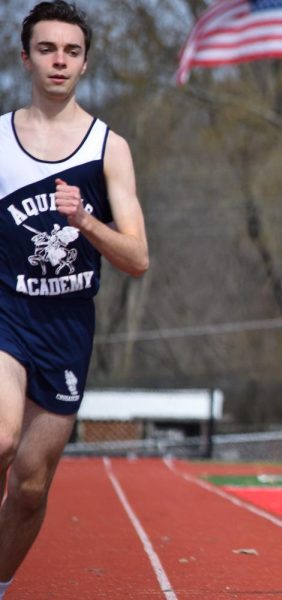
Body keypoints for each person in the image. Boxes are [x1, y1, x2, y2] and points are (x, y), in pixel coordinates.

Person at [0, 2, 149, 597]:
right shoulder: (1, 140)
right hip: (8, 314)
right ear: (25, 57)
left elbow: (138, 258)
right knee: (1, 437)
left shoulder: (108, 148)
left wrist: (85, 220)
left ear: (85, 62)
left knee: (31, 486)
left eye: (70, 51)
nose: (58, 61)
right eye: (46, 49)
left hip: (67, 328)